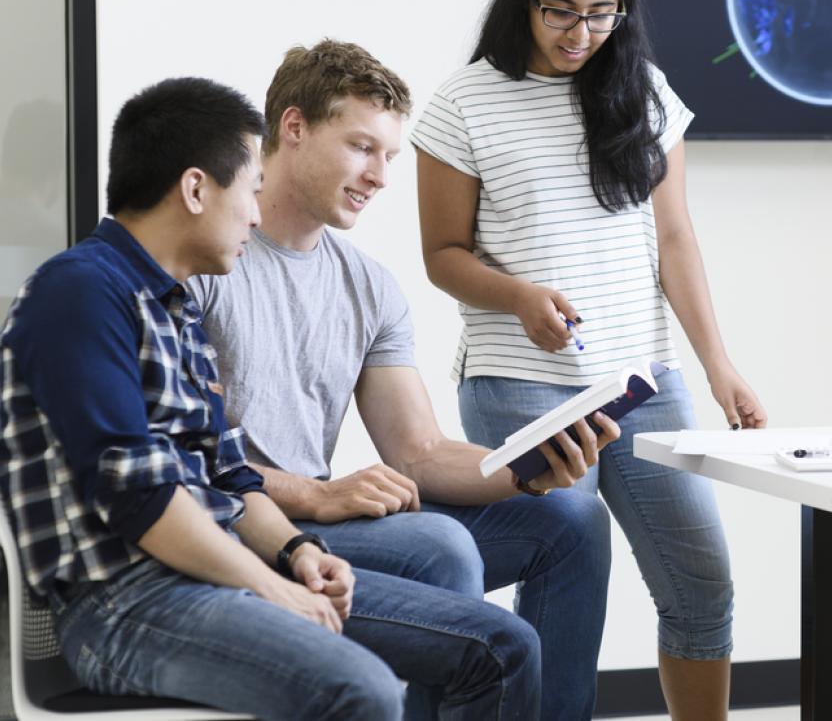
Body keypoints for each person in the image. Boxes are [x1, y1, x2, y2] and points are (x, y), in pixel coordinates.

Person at [0, 77, 542, 721]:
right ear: (196, 189)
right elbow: (137, 495)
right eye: (251, 191)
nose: (257, 215)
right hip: (128, 605)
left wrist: (299, 555)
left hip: (210, 572)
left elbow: (230, 476)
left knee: (503, 645)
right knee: (362, 690)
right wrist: (271, 586)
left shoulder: (173, 309)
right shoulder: (80, 292)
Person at [188, 39, 617, 721]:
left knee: (574, 519)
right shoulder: (205, 254)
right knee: (438, 542)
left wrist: (530, 465)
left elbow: (419, 452)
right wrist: (321, 493)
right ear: (293, 128)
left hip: (325, 518)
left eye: (389, 155)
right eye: (363, 147)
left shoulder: (368, 286)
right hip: (249, 525)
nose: (381, 176)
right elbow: (187, 459)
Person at [411, 0, 769, 721]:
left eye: (601, 15)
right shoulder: (463, 104)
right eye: (561, 12)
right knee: (569, 556)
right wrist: (518, 296)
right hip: (518, 380)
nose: (580, 34)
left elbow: (674, 239)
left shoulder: (643, 91)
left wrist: (719, 364)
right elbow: (442, 255)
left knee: (702, 582)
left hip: (642, 379)